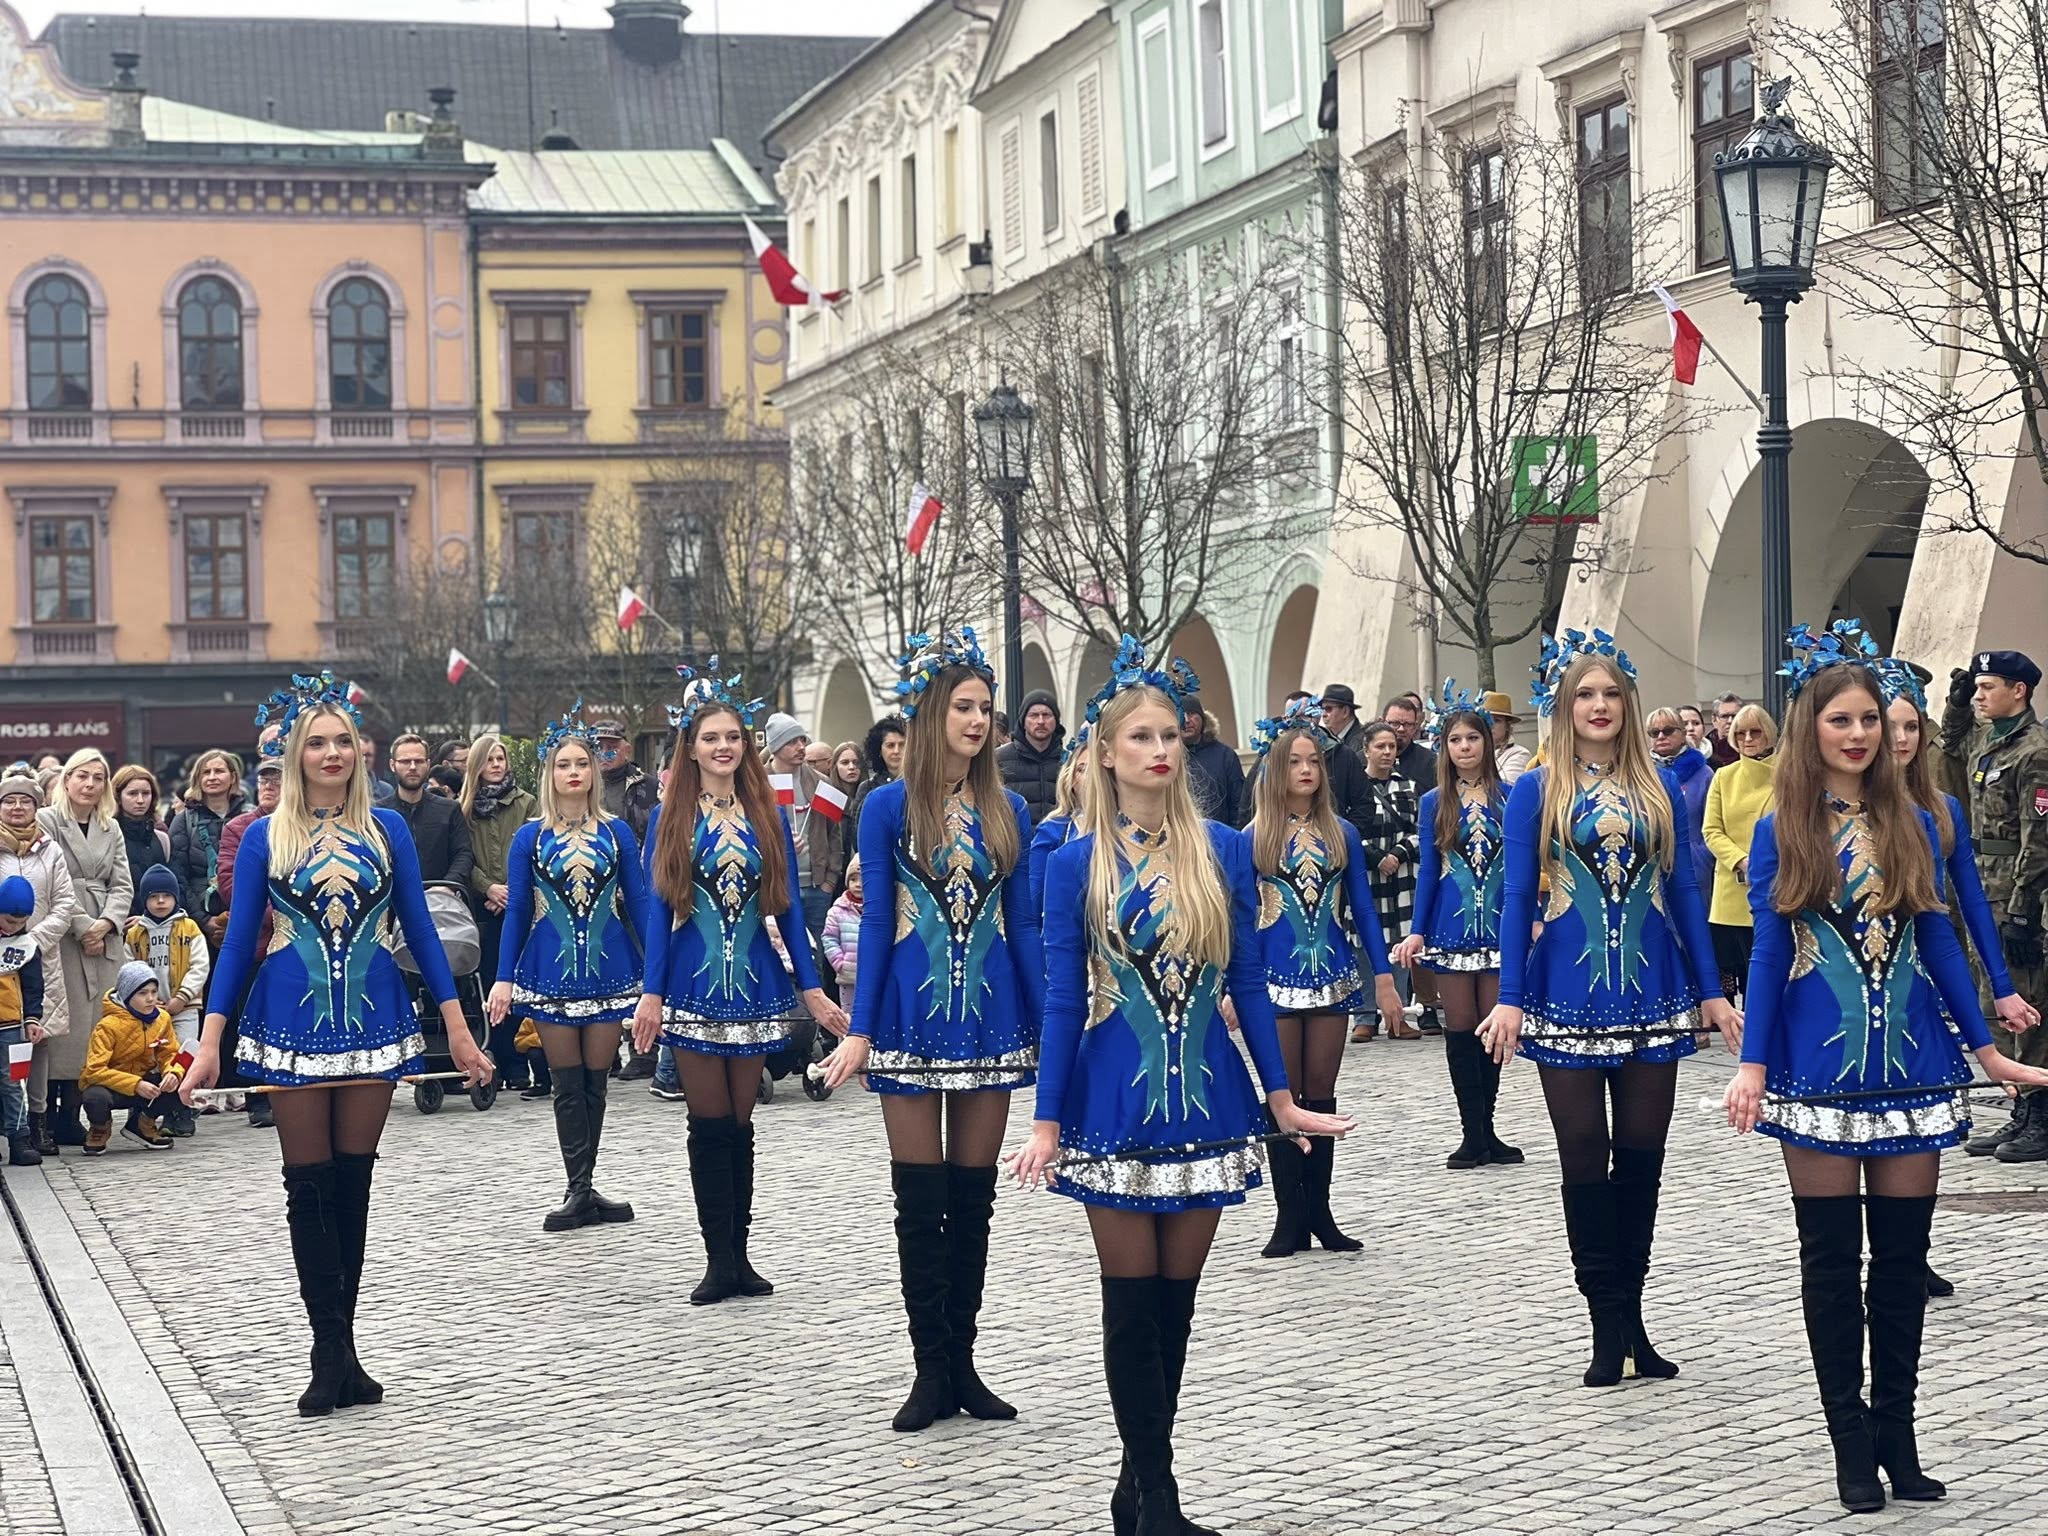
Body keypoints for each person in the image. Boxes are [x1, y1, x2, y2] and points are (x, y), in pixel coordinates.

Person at [1006, 638, 1352, 1536]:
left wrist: (1280, 1098)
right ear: (1105, 752)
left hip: (1207, 1096)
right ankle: (1155, 1498)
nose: (1159, 750)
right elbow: (1061, 1000)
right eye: (1140, 737)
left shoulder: (1226, 850)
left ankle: (1142, 1489)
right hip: (1110, 1099)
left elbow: (1248, 985)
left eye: (1169, 735)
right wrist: (1045, 1121)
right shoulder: (1071, 863)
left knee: (1177, 1305)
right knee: (1131, 1305)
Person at [1724, 628, 2048, 1513]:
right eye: (1841, 720)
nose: (1860, 734)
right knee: (1831, 1264)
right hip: (1815, 1069)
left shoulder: (1920, 819)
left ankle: (1899, 1437)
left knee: (1903, 1264)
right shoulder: (1780, 827)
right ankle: (1850, 1444)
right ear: (1811, 727)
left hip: (1912, 1064)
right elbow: (1768, 952)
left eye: (1870, 719)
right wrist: (1753, 1065)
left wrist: (1987, 1048)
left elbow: (1938, 937)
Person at [181, 673, 489, 1417]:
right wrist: (210, 1041)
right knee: (308, 1186)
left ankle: (346, 1351)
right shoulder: (266, 834)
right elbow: (240, 945)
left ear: (359, 750)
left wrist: (457, 1025)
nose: (330, 754)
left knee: (354, 1185)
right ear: (294, 754)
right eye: (315, 743)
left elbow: (421, 930)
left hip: (376, 1017)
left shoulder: (389, 831)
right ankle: (327, 1353)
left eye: (341, 741)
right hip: (289, 1020)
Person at [1481, 630, 1739, 1388]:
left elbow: (1685, 891)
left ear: (1629, 704)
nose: (1600, 706)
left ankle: (1635, 1320)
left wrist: (1712, 991)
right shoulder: (1536, 789)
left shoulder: (1659, 785)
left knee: (1643, 1163)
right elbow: (1516, 898)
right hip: (1565, 997)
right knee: (1584, 1160)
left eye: (1612, 694)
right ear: (1565, 708)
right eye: (1586, 695)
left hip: (1654, 994)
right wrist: (1509, 999)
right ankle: (1604, 1323)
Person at [822, 631, 1044, 1433]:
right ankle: (929, 1370)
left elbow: (1024, 925)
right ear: (929, 714)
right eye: (963, 707)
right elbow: (880, 923)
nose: (979, 720)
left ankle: (965, 1365)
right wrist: (861, 1031)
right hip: (909, 1021)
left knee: (973, 1201)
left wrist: (1051, 1026)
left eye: (985, 708)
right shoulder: (886, 808)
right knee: (919, 1204)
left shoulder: (1010, 809)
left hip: (990, 1020)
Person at [634, 665, 846, 1305]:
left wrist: (811, 988)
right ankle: (716, 1260)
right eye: (711, 738)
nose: (723, 746)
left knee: (742, 1122)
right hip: (693, 985)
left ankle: (742, 1255)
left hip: (754, 982)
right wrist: (651, 992)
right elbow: (657, 912)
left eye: (732, 737)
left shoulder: (767, 815)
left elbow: (786, 906)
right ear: (691, 747)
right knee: (709, 1123)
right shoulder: (670, 817)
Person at [1241, 697, 1400, 1258]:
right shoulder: (1252, 836)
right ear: (1275, 769)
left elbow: (1363, 908)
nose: (1306, 770)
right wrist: (1234, 987)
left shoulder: (1342, 833)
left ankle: (1322, 1213)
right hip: (1272, 981)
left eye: (1314, 761)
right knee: (1282, 1094)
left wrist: (1384, 978)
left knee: (1322, 1095)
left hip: (1332, 977)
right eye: (1294, 761)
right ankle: (1288, 1217)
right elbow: (1239, 920)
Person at [488, 705, 648, 1232]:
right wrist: (504, 977)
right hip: (549, 970)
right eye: (564, 764)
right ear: (550, 773)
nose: (574, 771)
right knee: (565, 1082)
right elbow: (516, 911)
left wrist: (658, 975)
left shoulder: (617, 833)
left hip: (609, 968)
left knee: (596, 1082)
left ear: (594, 771)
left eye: (582, 763)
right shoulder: (530, 837)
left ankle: (586, 1183)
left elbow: (638, 904)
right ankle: (577, 1187)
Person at [1393, 687, 1518, 1170]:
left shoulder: (1511, 797)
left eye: (1472, 738)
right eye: (1455, 740)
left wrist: (1531, 917)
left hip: (1500, 926)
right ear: (1444, 748)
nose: (1464, 747)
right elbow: (1428, 870)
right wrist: (1417, 930)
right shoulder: (1433, 802)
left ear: (1487, 741)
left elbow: (1524, 867)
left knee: (1493, 1028)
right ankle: (1471, 1134)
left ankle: (1490, 1129)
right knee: (1461, 1027)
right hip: (1451, 927)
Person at [1939, 648, 2048, 1162]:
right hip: (1983, 888)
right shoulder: (1989, 739)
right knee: (1993, 1003)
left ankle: (2041, 1115)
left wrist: (2024, 908)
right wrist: (1957, 704)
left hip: (2019, 893)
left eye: (1987, 688)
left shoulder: (2036, 750)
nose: (1980, 696)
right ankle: (2020, 1109)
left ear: (2018, 691)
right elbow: (1950, 743)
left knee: (2029, 1004)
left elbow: (2040, 837)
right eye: (1977, 689)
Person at [38, 749, 133, 1151]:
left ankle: (75, 1112)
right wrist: (82, 926)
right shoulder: (47, 820)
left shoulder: (111, 827)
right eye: (82, 776)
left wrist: (106, 924)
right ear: (67, 779)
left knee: (95, 1025)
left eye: (98, 778)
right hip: (62, 930)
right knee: (63, 1024)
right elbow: (50, 878)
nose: (90, 784)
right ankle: (46, 1115)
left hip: (104, 934)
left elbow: (123, 883)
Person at [0, 770, 75, 1156]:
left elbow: (65, 902)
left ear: (37, 806)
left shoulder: (50, 850)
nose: (17, 807)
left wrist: (32, 940)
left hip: (40, 953)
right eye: (9, 801)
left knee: (37, 1039)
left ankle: (36, 1122)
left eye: (25, 801)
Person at [462, 734, 538, 1089]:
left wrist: (510, 889)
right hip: (481, 908)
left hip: (518, 904)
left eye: (500, 758)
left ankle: (519, 1061)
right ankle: (495, 1056)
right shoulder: (463, 809)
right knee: (490, 981)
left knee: (517, 982)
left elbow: (534, 849)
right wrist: (488, 887)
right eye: (489, 759)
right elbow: (463, 855)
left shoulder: (526, 803)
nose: (495, 765)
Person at [216, 759, 283, 1127]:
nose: (269, 786)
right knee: (253, 1021)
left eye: (278, 780)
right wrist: (283, 915)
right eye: (264, 780)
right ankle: (259, 1096)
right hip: (257, 943)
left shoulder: (308, 826)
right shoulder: (239, 828)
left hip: (301, 948)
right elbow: (231, 886)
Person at [124, 865, 209, 1136]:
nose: (160, 902)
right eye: (153, 897)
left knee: (183, 1056)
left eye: (166, 896)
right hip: (148, 1010)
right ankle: (147, 1111)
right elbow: (128, 969)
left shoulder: (189, 928)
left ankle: (182, 1112)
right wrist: (141, 1000)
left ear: (175, 898)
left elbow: (200, 965)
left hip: (184, 1007)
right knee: (151, 1059)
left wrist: (182, 996)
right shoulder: (136, 933)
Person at [1702, 704, 1778, 1003]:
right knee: (1734, 976)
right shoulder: (1724, 776)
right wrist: (1742, 861)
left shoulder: (1789, 774)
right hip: (1731, 891)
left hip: (1776, 886)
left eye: (1755, 732)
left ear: (1768, 733)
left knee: (1769, 975)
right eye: (1740, 733)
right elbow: (1711, 830)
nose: (1747, 739)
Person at [1355, 721, 1421, 1041]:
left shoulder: (1408, 786)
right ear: (1366, 749)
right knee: (1365, 944)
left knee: (1400, 943)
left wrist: (1397, 853)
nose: (1386, 751)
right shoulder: (1354, 787)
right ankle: (1366, 1015)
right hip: (1367, 875)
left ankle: (1399, 1016)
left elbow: (1419, 830)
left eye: (1391, 746)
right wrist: (1376, 857)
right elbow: (1347, 830)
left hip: (1402, 876)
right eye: (1380, 746)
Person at [762, 711, 833, 945]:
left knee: (816, 954)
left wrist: (829, 881)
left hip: (815, 886)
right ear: (775, 747)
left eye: (802, 739)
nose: (801, 746)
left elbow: (835, 832)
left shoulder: (821, 782)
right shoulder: (756, 784)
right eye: (792, 741)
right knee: (778, 953)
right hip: (775, 884)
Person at [168, 750, 247, 953]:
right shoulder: (183, 821)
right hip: (198, 925)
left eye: (219, 771)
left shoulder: (250, 816)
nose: (212, 777)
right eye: (206, 772)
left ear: (233, 777)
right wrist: (204, 921)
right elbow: (178, 876)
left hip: (247, 920)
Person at [386, 735, 475, 888]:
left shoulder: (449, 810)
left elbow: (463, 854)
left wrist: (447, 887)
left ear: (427, 764)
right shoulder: (378, 813)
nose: (412, 767)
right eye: (405, 761)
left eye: (419, 761)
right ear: (393, 765)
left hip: (440, 897)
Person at [0, 876, 47, 1166]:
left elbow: (33, 987)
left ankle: (19, 1137)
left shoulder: (27, 946)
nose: (13, 927)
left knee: (13, 1082)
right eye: (8, 920)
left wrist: (33, 1019)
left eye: (21, 922)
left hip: (11, 1025)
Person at [1647, 707, 1715, 897]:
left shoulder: (1704, 774)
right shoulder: (1642, 775)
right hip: (1650, 869)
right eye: (1654, 732)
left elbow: (1713, 826)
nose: (1661, 736)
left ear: (1683, 733)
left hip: (1694, 868)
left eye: (1668, 731)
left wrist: (1701, 856)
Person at [843, 715, 907, 884]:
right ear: (879, 749)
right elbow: (857, 834)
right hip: (879, 869)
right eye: (890, 745)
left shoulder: (921, 786)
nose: (896, 751)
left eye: (902, 745)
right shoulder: (868, 787)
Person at [996, 688, 1066, 826]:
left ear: (1056, 720)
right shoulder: (999, 759)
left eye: (1046, 715)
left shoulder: (1068, 761)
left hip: (1058, 838)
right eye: (1034, 715)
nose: (1041, 721)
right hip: (1016, 837)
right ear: (1023, 720)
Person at [111, 766, 172, 913]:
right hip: (120, 919)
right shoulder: (108, 837)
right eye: (132, 793)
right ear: (118, 797)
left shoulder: (162, 839)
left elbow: (174, 885)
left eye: (146, 793)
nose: (140, 800)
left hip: (159, 919)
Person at [590, 718, 658, 844]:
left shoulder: (650, 786)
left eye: (612, 748)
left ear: (627, 750)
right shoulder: (582, 785)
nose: (604, 754)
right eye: (597, 748)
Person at [1181, 697, 1245, 828]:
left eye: (1191, 713)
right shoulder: (1167, 757)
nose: (1186, 720)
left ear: (1203, 719)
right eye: (1180, 714)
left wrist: (1232, 837)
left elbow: (1239, 804)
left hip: (1219, 837)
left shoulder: (1225, 756)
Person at [822, 855, 864, 1005]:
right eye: (853, 879)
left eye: (863, 880)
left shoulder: (878, 909)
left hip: (875, 976)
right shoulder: (837, 910)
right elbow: (829, 938)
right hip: (848, 977)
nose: (858, 884)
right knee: (849, 1014)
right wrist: (839, 962)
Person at [1383, 695, 1435, 787]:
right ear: (1383, 723)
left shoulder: (1430, 763)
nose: (1401, 729)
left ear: (1415, 727)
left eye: (1407, 724)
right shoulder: (1364, 761)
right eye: (1395, 723)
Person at [1486, 692, 1531, 785]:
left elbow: (1505, 787)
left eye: (1496, 720)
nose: (1490, 725)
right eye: (1486, 720)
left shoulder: (1519, 753)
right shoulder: (1472, 751)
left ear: (1507, 726)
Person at [1319, 684, 1365, 757]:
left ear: (1345, 712)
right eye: (1322, 709)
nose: (1323, 714)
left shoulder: (1362, 741)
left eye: (1328, 709)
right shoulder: (1324, 736)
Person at [1706, 693, 1744, 768]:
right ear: (1714, 720)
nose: (1730, 721)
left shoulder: (1749, 748)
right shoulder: (1705, 751)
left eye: (1735, 716)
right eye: (1724, 716)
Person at [359, 734, 397, 807]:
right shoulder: (340, 787)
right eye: (360, 755)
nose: (364, 759)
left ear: (374, 757)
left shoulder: (386, 791)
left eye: (368, 755)